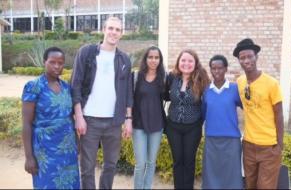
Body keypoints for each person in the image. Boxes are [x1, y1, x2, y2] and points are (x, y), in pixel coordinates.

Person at [70, 16, 133, 189]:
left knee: (110, 165)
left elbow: (128, 91)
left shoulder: (124, 60)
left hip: (114, 121)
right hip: (89, 119)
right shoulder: (87, 52)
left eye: (117, 30)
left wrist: (128, 119)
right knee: (87, 168)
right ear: (104, 29)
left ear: (122, 34)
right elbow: (75, 85)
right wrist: (78, 115)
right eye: (111, 28)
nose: (114, 32)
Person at [22, 47, 80, 189]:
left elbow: (70, 117)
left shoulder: (66, 87)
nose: (56, 66)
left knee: (69, 184)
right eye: (52, 62)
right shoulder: (34, 87)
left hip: (68, 149)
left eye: (60, 63)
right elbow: (26, 124)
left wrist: (77, 142)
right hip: (45, 151)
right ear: (44, 62)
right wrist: (29, 157)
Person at [233, 38, 284, 189]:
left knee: (265, 186)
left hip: (269, 146)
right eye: (242, 58)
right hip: (248, 144)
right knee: (250, 184)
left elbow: (279, 115)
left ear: (256, 57)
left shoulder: (271, 83)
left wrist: (279, 145)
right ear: (239, 61)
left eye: (250, 56)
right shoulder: (240, 82)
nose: (246, 60)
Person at [165, 49, 210, 189]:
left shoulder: (201, 79)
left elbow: (207, 102)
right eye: (183, 60)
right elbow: (164, 96)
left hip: (193, 127)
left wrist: (201, 122)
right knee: (177, 160)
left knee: (189, 161)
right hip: (173, 126)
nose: (186, 63)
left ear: (195, 63)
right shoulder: (171, 78)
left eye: (190, 61)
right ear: (178, 62)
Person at [201, 55, 243, 189]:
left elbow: (247, 107)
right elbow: (203, 114)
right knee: (211, 174)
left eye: (220, 68)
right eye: (213, 68)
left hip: (232, 139)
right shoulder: (206, 90)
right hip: (211, 139)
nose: (217, 71)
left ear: (226, 69)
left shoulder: (235, 89)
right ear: (211, 70)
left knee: (232, 175)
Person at [132, 46, 166, 189]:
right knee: (140, 164)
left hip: (157, 124)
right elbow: (129, 100)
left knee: (151, 162)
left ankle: (147, 187)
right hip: (138, 124)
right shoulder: (135, 76)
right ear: (145, 59)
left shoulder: (164, 78)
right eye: (150, 57)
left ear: (160, 60)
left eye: (156, 57)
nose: (153, 60)